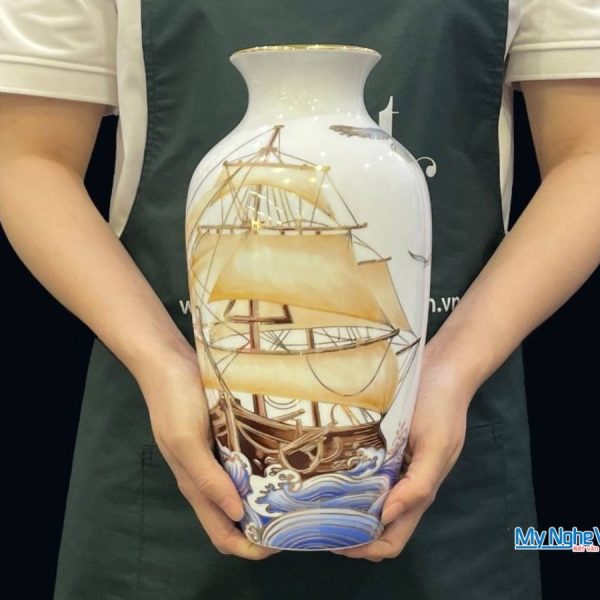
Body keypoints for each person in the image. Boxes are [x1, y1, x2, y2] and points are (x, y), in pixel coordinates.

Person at [0, 1, 598, 598]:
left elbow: (588, 154)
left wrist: (450, 372)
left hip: (454, 416)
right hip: (159, 417)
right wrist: (161, 364)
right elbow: (27, 156)